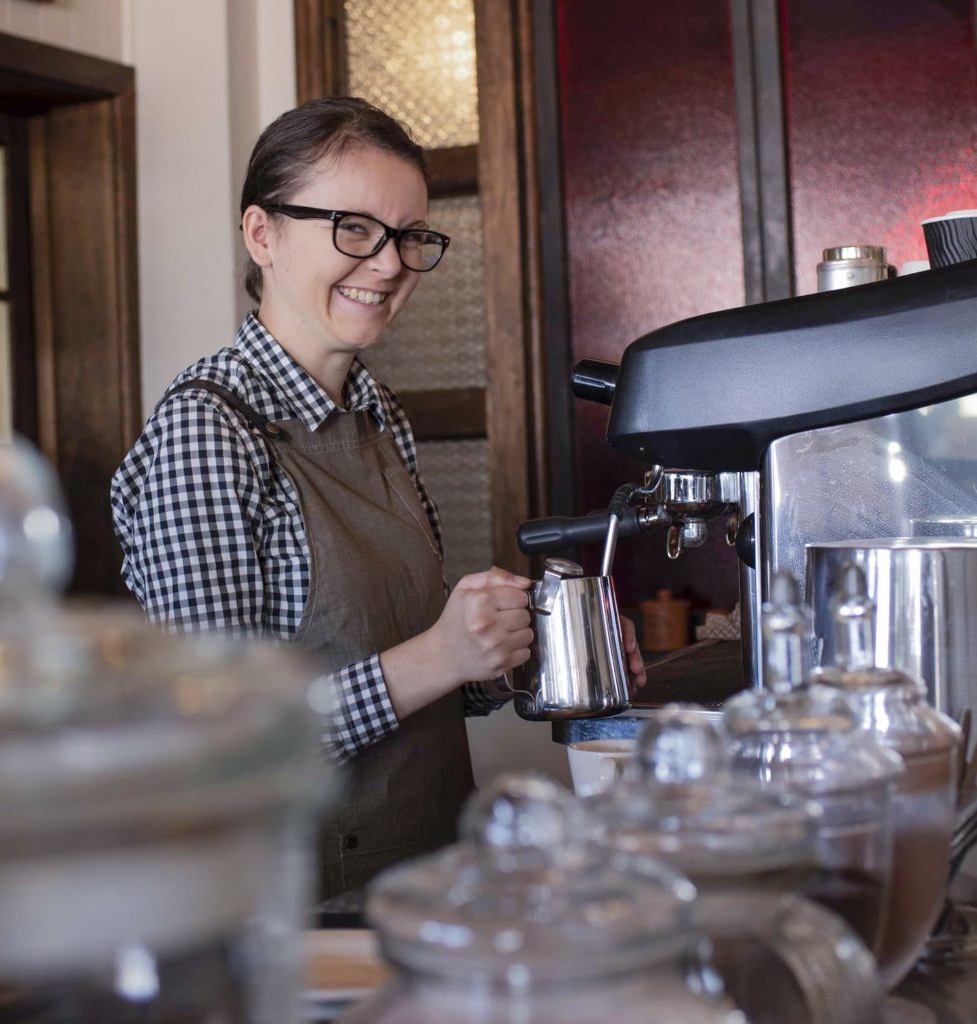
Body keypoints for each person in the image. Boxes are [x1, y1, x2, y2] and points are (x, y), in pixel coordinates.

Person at [111, 97, 645, 898]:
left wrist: (535, 650)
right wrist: (440, 653)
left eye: (407, 236)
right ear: (263, 234)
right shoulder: (205, 433)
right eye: (353, 229)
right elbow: (221, 743)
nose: (391, 263)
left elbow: (417, 673)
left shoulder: (376, 410)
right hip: (305, 914)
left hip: (428, 874)